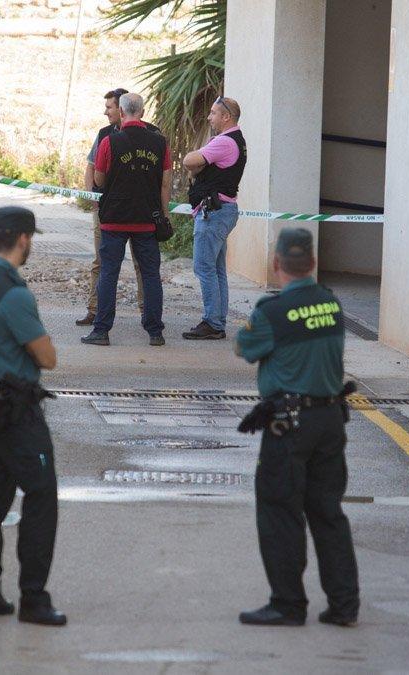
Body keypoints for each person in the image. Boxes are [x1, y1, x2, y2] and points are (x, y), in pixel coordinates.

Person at [234, 227, 359, 628]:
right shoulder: (332, 304)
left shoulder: (271, 312)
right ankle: (344, 605)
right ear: (314, 263)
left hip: (290, 425)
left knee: (280, 512)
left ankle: (287, 604)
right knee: (328, 514)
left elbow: (245, 347)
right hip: (329, 421)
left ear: (276, 264)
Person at [0, 206, 67, 627]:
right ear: (24, 239)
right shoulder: (14, 292)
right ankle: (34, 599)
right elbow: (47, 357)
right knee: (41, 496)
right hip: (18, 407)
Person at [80, 92, 171, 347]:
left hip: (114, 219)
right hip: (146, 220)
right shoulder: (160, 143)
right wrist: (164, 216)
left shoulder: (110, 142)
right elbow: (165, 184)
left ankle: (102, 331)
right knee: (151, 275)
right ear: (142, 112)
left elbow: (98, 179)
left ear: (121, 113)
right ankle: (155, 332)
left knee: (109, 273)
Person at [76, 88, 153, 327]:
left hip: (139, 212)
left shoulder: (151, 134)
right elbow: (91, 166)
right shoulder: (104, 134)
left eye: (109, 107)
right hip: (107, 211)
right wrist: (93, 198)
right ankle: (94, 309)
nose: (105, 112)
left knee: (142, 265)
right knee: (101, 263)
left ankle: (146, 312)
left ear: (122, 109)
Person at [182, 96, 246, 340]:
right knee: (217, 269)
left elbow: (190, 161)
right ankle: (216, 322)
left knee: (204, 267)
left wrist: (197, 155)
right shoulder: (235, 142)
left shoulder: (225, 143)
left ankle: (212, 322)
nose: (209, 117)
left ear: (226, 117)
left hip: (214, 213)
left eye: (213, 113)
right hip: (223, 211)